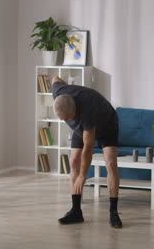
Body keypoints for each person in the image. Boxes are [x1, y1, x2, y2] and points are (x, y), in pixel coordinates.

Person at [52, 76, 122, 228]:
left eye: (67, 118)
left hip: (107, 125)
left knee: (110, 163)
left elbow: (88, 148)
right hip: (81, 128)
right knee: (73, 161)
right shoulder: (59, 91)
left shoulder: (88, 112)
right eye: (62, 119)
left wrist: (83, 176)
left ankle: (113, 212)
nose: (65, 121)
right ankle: (76, 211)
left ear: (75, 111)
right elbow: (55, 78)